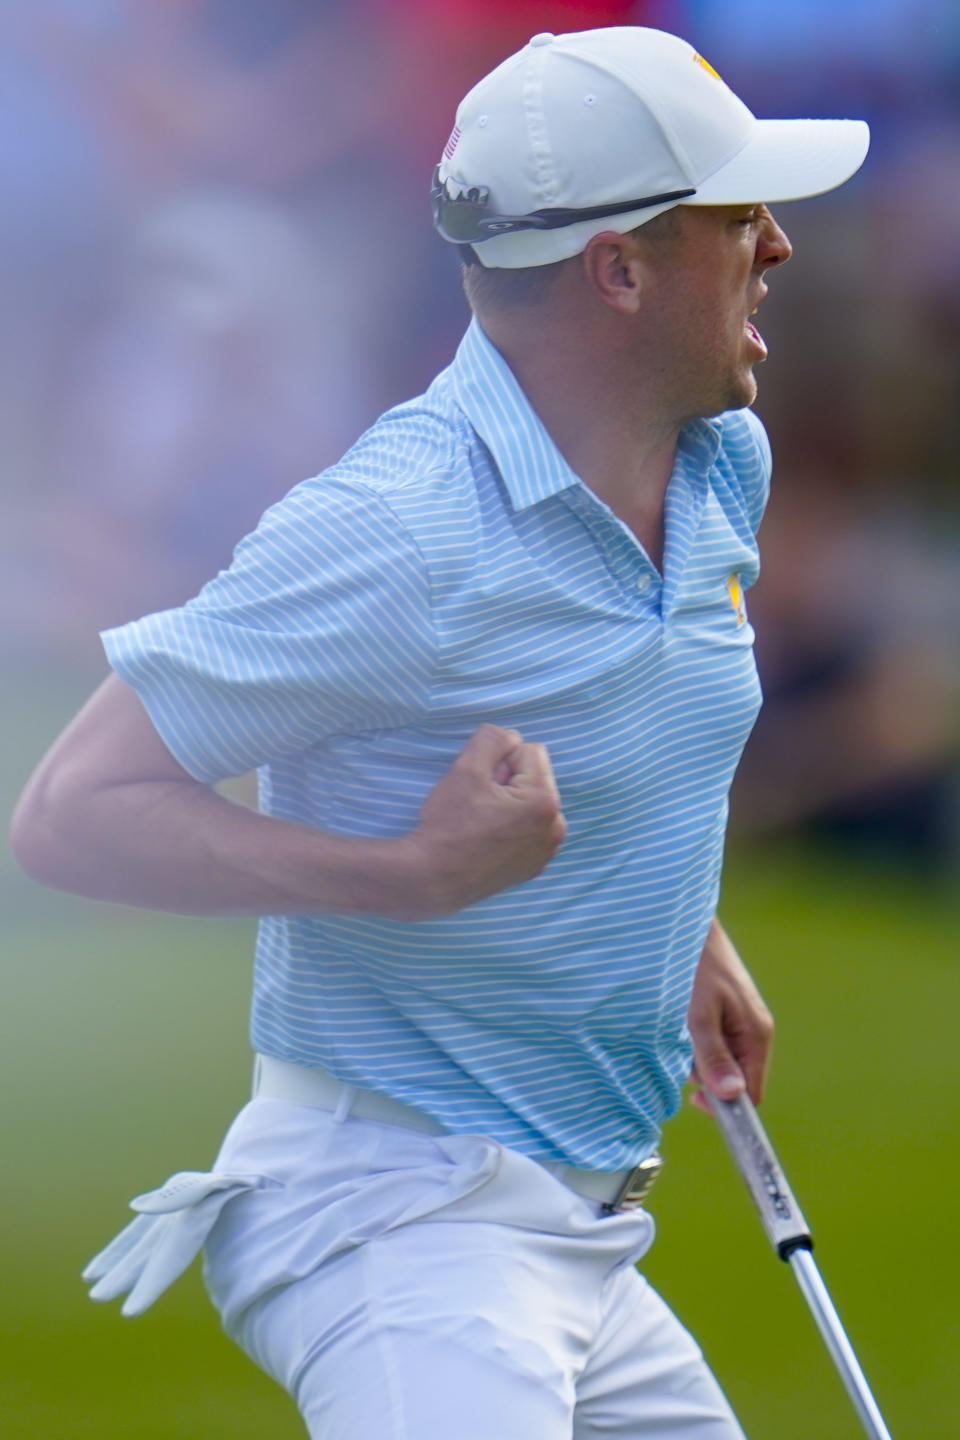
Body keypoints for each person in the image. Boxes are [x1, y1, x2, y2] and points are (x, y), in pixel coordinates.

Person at [11, 26, 869, 1440]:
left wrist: (676, 922)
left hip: (583, 1226)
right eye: (735, 216)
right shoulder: (395, 529)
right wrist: (407, 876)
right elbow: (71, 809)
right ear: (621, 267)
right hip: (395, 1218)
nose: (775, 243)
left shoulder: (721, 455)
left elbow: (621, 720)